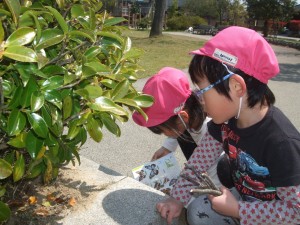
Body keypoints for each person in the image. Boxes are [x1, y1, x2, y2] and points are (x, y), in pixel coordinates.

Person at [157, 26, 300, 225]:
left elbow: (295, 212)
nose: (200, 100)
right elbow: (198, 163)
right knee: (198, 211)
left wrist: (239, 210)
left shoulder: (281, 142)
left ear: (236, 86)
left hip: (274, 216)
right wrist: (177, 198)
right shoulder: (226, 122)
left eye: (202, 91)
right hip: (245, 200)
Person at [132, 67, 224, 192]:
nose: (165, 134)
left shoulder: (210, 134)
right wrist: (167, 147)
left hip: (223, 185)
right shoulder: (190, 110)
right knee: (179, 133)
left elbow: (217, 184)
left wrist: (192, 193)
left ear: (183, 117)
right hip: (201, 158)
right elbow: (175, 128)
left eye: (164, 130)